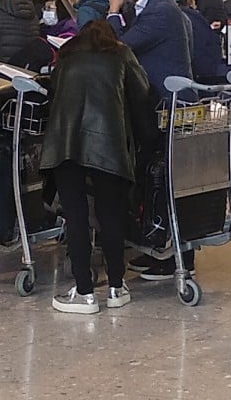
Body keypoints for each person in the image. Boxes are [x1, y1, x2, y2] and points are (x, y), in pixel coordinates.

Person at [40, 20, 157, 314]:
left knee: (76, 216)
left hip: (65, 144)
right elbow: (141, 98)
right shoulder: (121, 54)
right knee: (111, 214)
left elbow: (53, 98)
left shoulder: (66, 56)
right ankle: (117, 287)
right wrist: (149, 142)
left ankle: (84, 293)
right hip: (109, 145)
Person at [105, 0, 195, 280]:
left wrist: (113, 12)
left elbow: (119, 48)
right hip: (157, 106)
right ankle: (162, 250)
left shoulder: (161, 11)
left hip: (169, 108)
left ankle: (174, 257)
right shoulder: (153, 6)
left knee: (170, 182)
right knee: (159, 180)